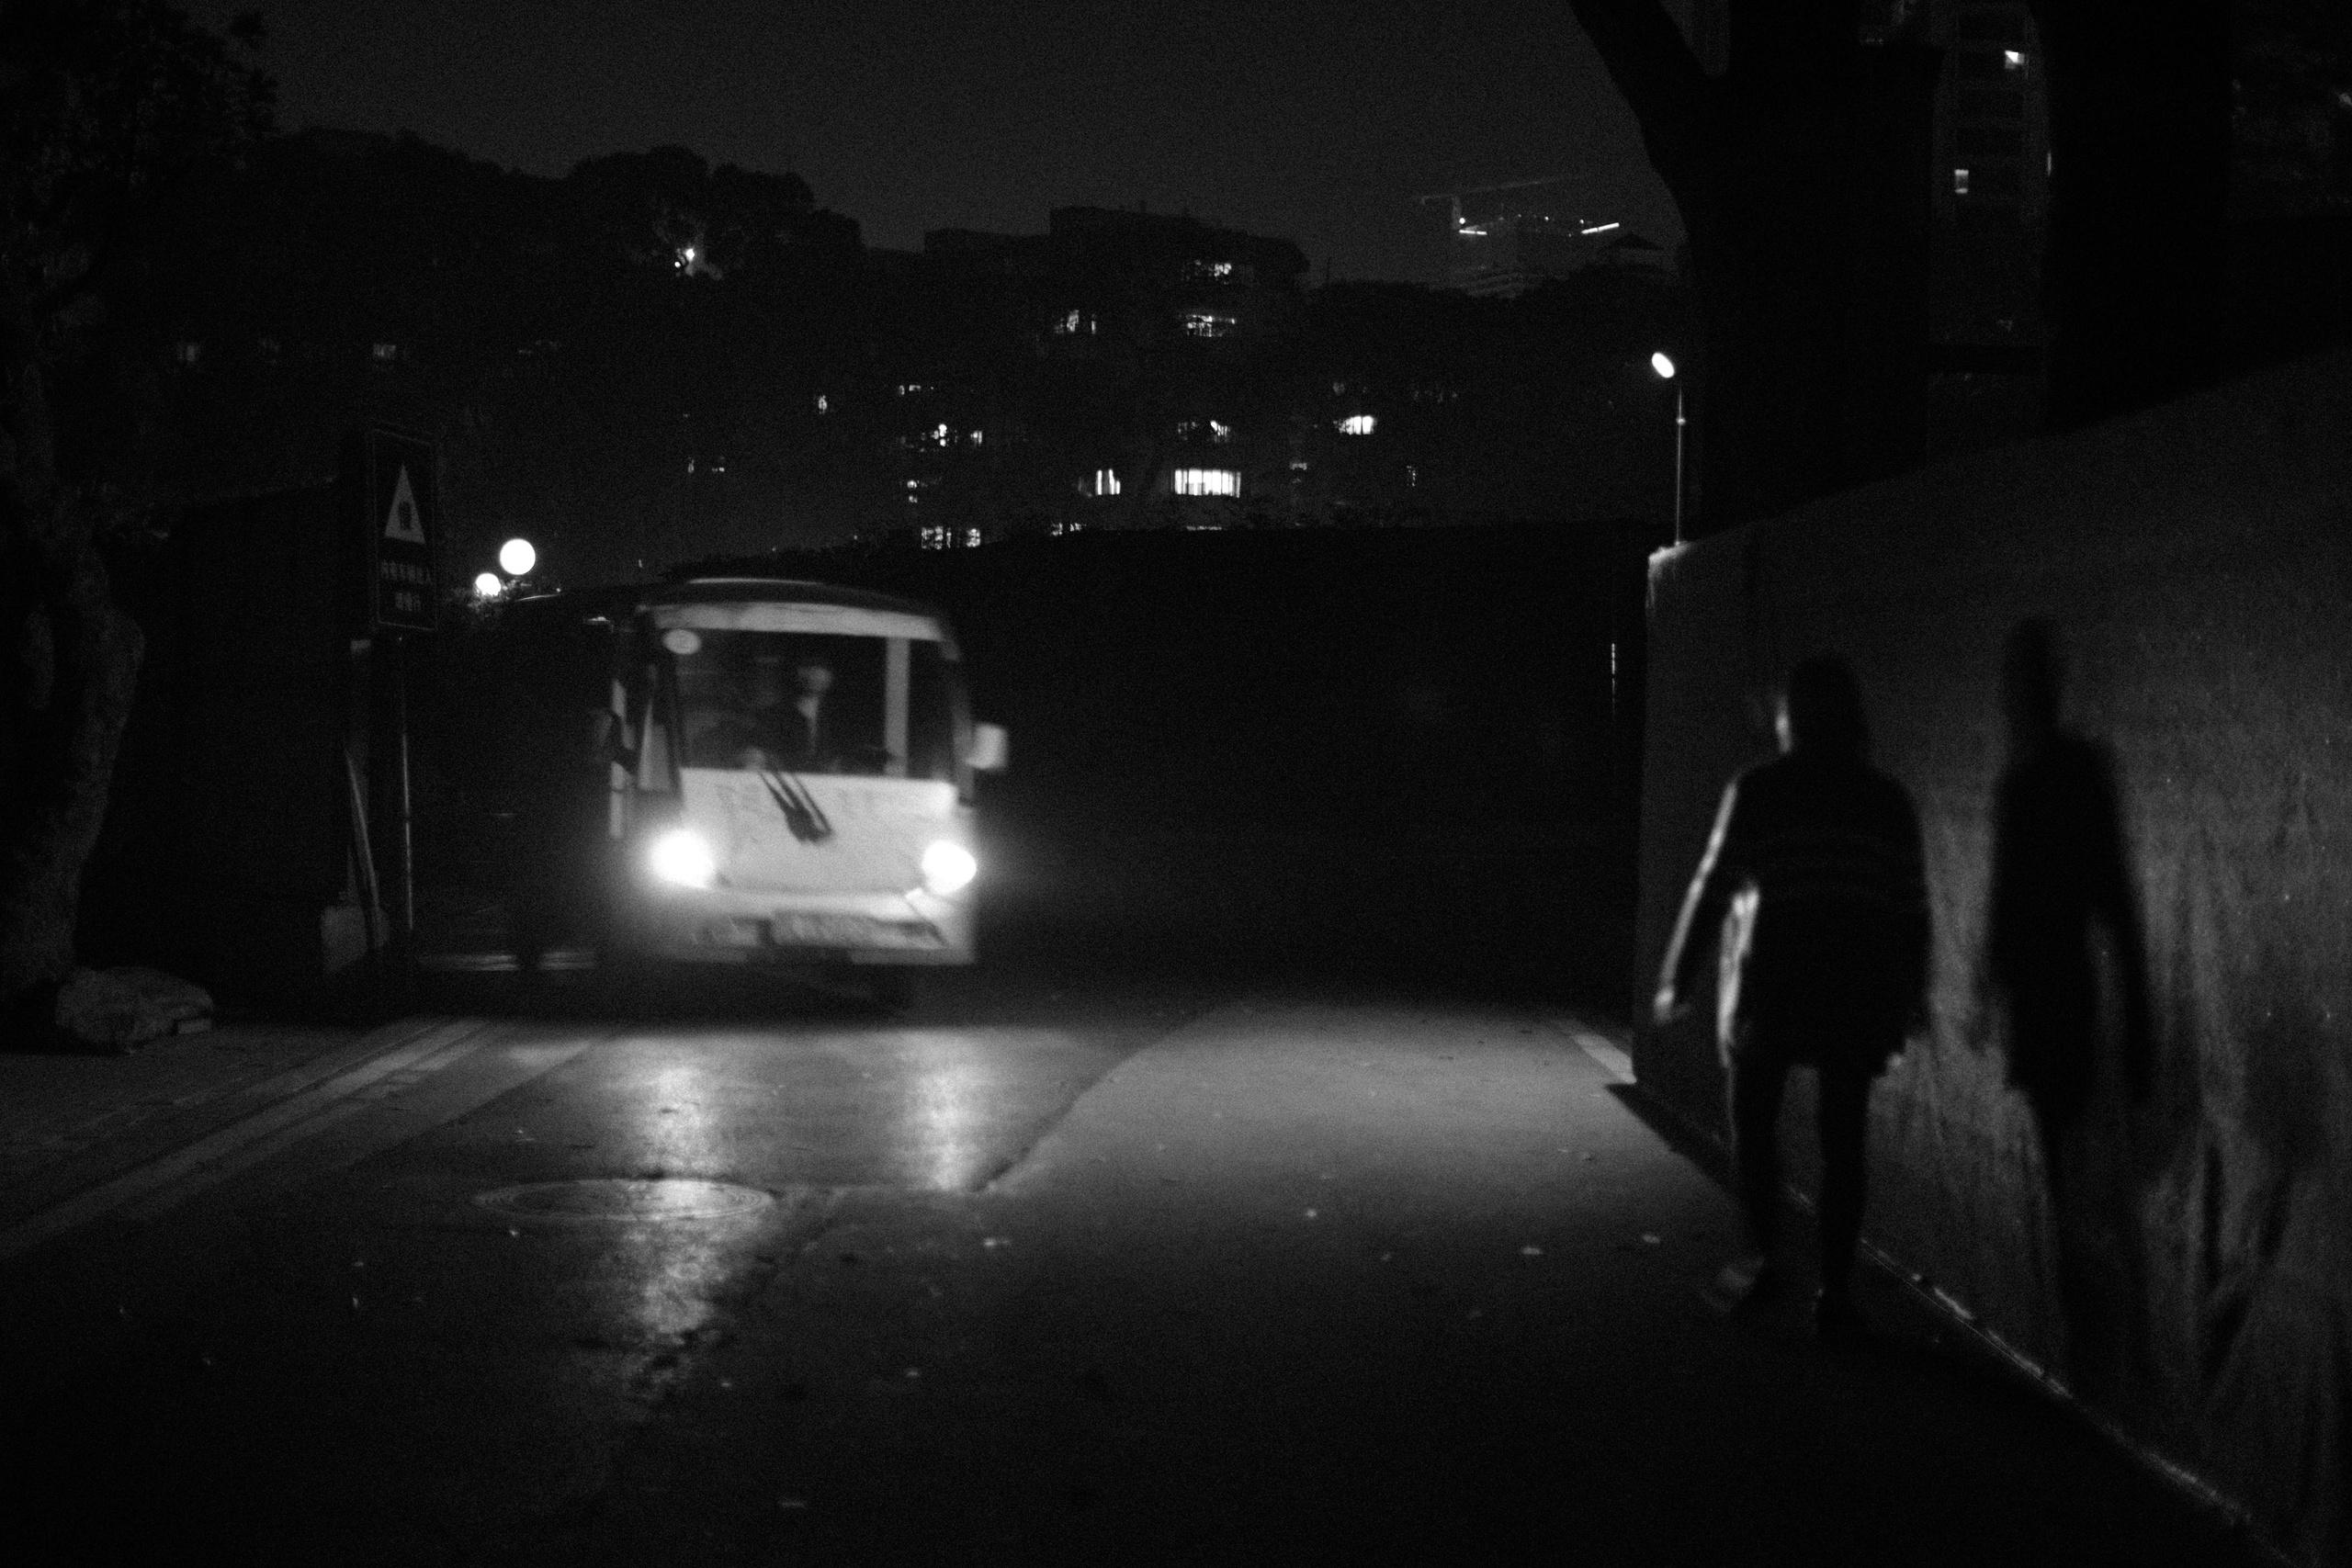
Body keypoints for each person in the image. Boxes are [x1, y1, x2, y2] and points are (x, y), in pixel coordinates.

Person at [1653, 653, 1930, 1340]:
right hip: (1855, 991)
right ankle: (1835, 1291)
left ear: (1791, 717)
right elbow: (1911, 909)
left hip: (1772, 986)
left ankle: (1762, 1258)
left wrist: (1678, 976)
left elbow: (1712, 887)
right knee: (1844, 1139)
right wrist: (1913, 992)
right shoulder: (1886, 801)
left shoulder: (1759, 789)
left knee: (1752, 1118)